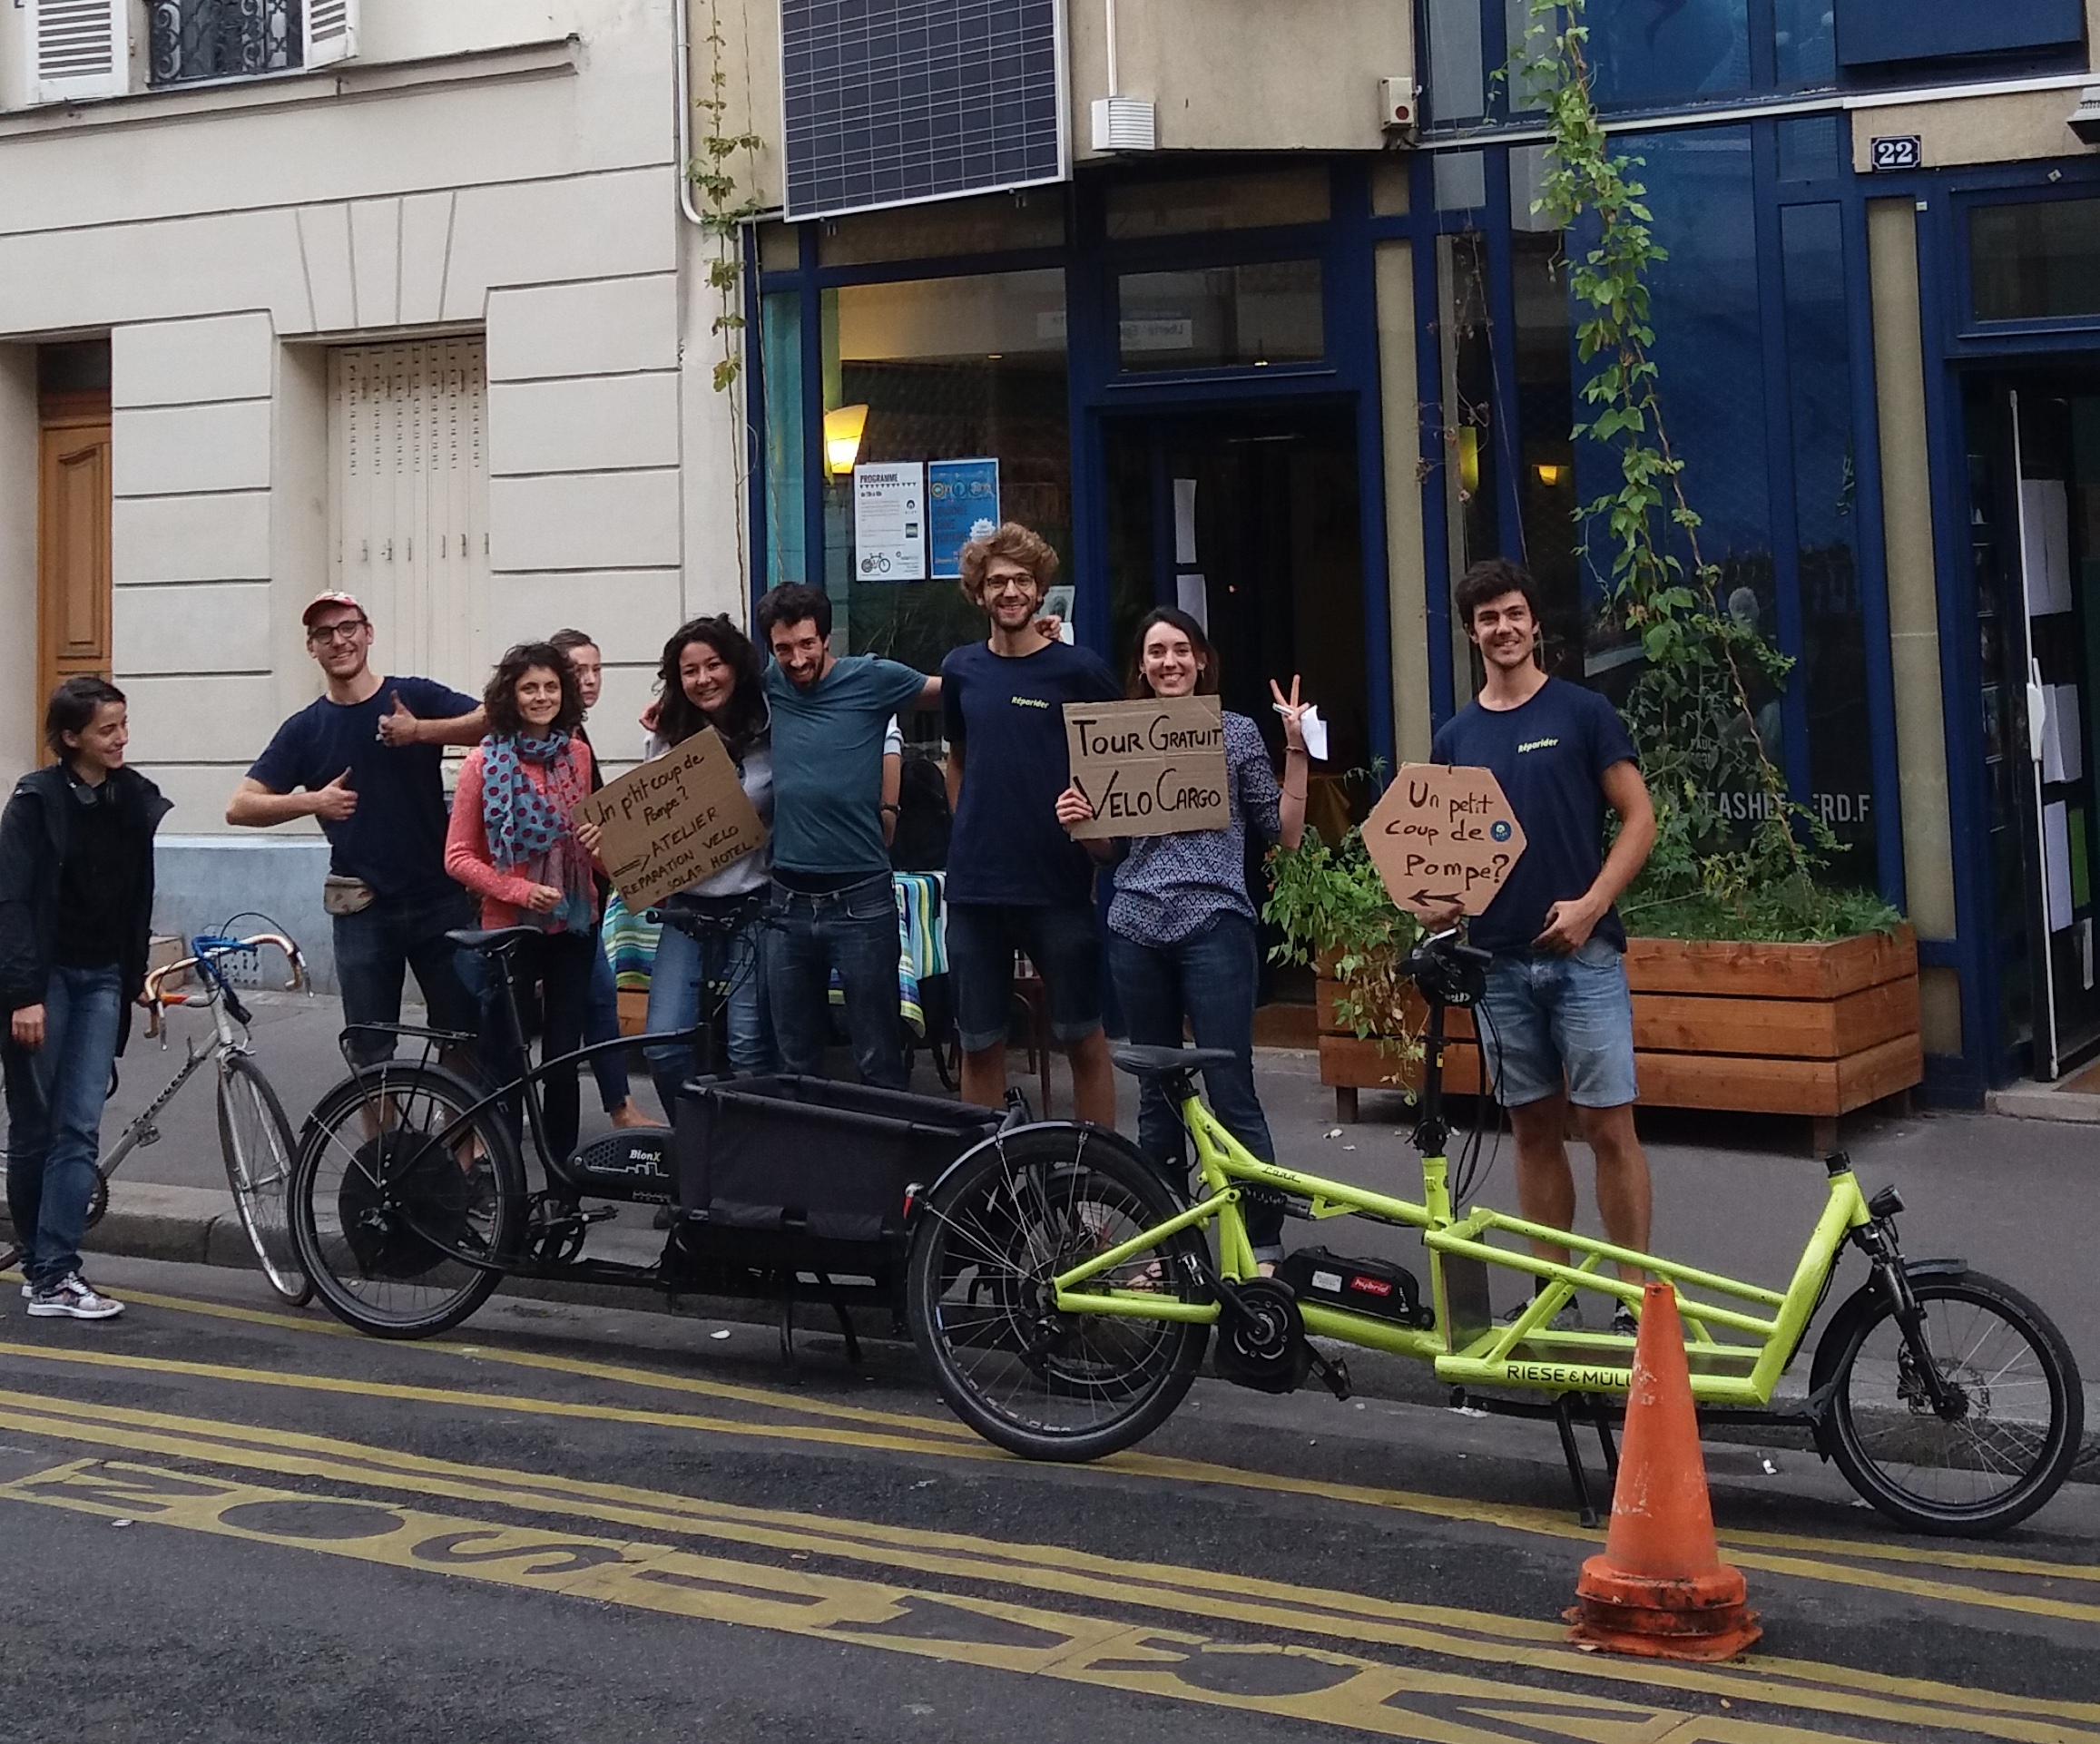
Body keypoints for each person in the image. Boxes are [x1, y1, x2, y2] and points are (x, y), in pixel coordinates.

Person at [1428, 558, 1657, 1335]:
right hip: (1497, 964)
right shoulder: (1455, 737)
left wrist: (1593, 906)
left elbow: (1640, 819)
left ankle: (1635, 1299)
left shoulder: (1585, 712)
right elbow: (1446, 861)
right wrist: (1436, 910)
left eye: (1514, 614)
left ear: (1535, 623)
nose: (1503, 628)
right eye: (1488, 618)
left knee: (1607, 1127)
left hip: (1582, 958)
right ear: (1472, 633)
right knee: (1531, 1128)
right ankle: (1554, 1294)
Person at [1055, 608, 1310, 1268]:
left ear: (1201, 660)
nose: (1169, 662)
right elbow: (1111, 852)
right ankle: (1171, 1247)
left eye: (1180, 651)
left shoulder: (1235, 733)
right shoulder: (1117, 736)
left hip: (1214, 925)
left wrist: (1298, 748)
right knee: (1157, 1098)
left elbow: (1281, 833)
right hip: (1135, 927)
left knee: (1231, 1087)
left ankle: (1263, 1244)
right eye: (1155, 653)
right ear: (1140, 666)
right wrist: (1080, 823)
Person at [227, 593, 482, 1066]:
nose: (339, 641)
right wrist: (313, 801)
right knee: (370, 1050)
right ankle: (380, 1145)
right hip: (361, 907)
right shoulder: (305, 729)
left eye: (348, 628)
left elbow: (493, 721)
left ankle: (462, 1141)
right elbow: (240, 807)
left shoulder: (413, 696)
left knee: (463, 1037)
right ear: (311, 648)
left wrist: (420, 732)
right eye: (325, 634)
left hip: (439, 898)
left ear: (368, 632)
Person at [0, 679, 172, 1319]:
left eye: (124, 725)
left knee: (79, 1126)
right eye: (108, 730)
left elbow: (137, 898)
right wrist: (22, 995)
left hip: (100, 977)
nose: (122, 738)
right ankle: (42, 1267)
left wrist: (136, 977)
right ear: (71, 738)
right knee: (37, 1128)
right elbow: (12, 903)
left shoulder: (133, 800)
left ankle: (55, 1271)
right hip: (42, 980)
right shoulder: (35, 802)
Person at [942, 524, 1122, 1124]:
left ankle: (1096, 1191)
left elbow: (1115, 769)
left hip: (1058, 886)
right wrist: (968, 828)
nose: (1010, 591)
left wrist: (1099, 838)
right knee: (979, 1043)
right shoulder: (961, 669)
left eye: (1022, 580)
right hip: (976, 890)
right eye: (997, 581)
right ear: (978, 593)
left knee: (1083, 1039)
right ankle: (990, 1196)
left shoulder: (1081, 671)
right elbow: (959, 760)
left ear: (1042, 590)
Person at [757, 582, 939, 1090]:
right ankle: (806, 1166)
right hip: (787, 902)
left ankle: (887, 1166)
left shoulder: (873, 678)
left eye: (806, 644)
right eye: (784, 649)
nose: (796, 660)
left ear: (827, 636)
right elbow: (708, 696)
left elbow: (959, 688)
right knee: (794, 1059)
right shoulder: (769, 684)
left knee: (878, 1055)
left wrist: (1036, 648)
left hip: (862, 900)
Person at [444, 642, 602, 1165]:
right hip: (509, 929)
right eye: (530, 687)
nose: (541, 697)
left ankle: (563, 1178)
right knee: (505, 1061)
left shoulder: (577, 754)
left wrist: (606, 849)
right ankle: (507, 1176)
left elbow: (585, 837)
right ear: (511, 695)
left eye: (551, 686)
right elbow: (458, 857)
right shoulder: (483, 763)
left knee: (563, 1058)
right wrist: (519, 891)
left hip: (574, 924)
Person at [638, 616, 778, 1113]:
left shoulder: (772, 724)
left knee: (749, 1048)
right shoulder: (667, 734)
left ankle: (753, 1164)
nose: (703, 680)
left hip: (756, 905)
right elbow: (648, 820)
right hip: (687, 908)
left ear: (736, 667)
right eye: (689, 671)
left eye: (713, 665)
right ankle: (695, 1147)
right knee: (664, 1044)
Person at [547, 628, 650, 1131]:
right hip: (555, 901)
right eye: (577, 670)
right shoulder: (557, 737)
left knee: (597, 998)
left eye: (596, 669)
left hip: (582, 896)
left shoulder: (576, 733)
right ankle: (478, 1137)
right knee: (577, 1007)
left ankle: (619, 1107)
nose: (589, 680)